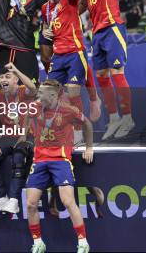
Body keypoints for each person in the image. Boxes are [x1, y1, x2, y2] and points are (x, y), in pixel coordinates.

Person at [25, 80, 94, 253]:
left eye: (41, 93)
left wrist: (89, 147)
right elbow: (25, 118)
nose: (38, 96)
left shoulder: (68, 110)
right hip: (39, 160)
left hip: (60, 159)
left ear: (53, 95)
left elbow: (87, 124)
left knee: (68, 201)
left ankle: (83, 242)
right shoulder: (34, 107)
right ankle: (38, 242)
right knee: (31, 204)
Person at [84, 0, 134, 139]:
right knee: (101, 75)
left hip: (112, 27)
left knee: (116, 73)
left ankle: (128, 118)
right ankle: (113, 118)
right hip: (97, 34)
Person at [0, 63, 37, 214]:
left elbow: (33, 87)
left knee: (19, 158)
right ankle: (0, 198)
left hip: (26, 136)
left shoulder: (23, 92)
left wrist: (17, 70)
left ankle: (13, 200)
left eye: (8, 76)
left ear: (16, 80)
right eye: (1, 77)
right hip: (7, 136)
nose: (3, 79)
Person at [41, 0, 89, 117]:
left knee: (74, 92)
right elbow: (47, 24)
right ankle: (56, 132)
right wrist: (44, 30)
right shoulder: (44, 7)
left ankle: (78, 132)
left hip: (75, 52)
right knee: (48, 93)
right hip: (58, 56)